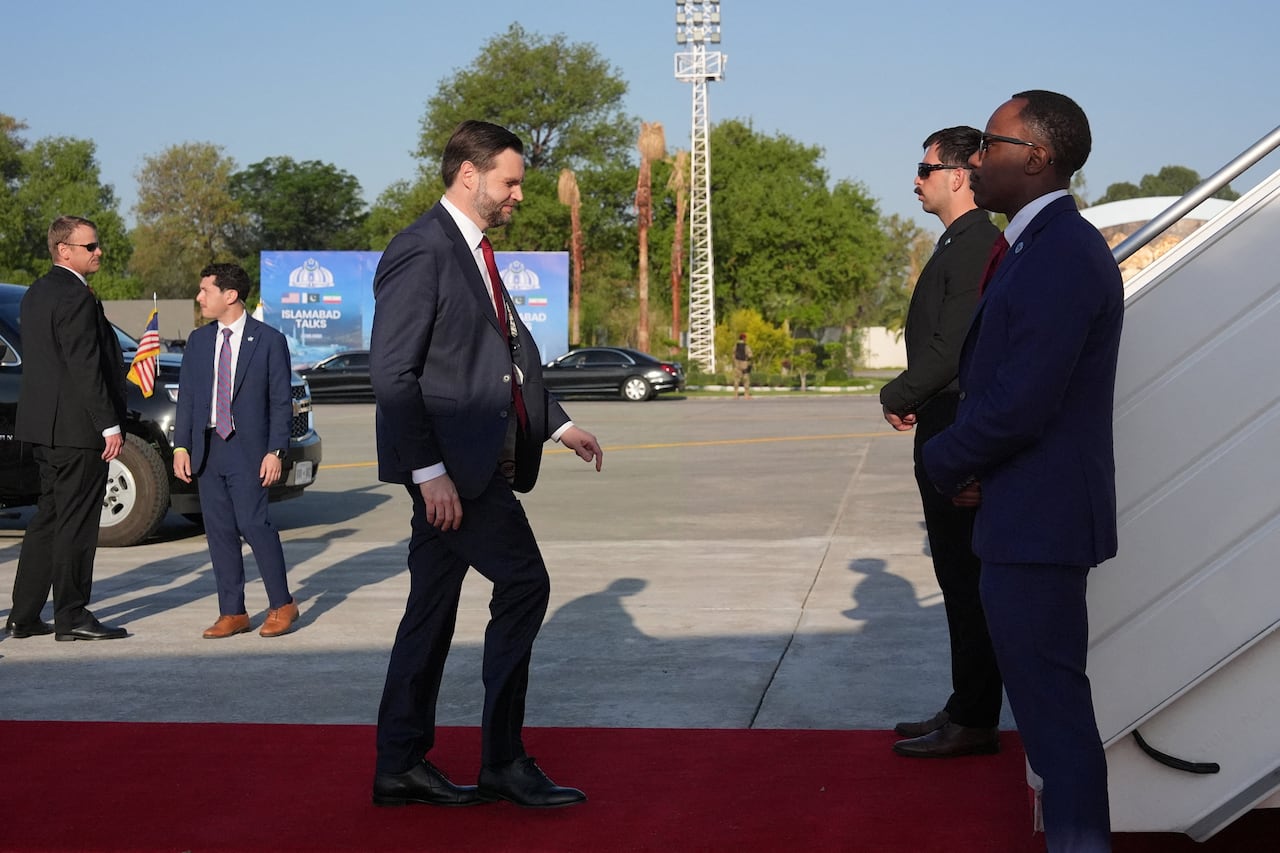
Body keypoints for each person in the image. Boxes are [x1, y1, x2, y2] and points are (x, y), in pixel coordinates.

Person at [368, 120, 604, 810]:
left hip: (467, 468)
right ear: (468, 175)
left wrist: (558, 424)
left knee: (430, 612)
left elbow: (505, 359)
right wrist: (428, 472)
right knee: (526, 583)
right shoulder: (423, 250)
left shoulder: (475, 253)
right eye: (510, 181)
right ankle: (502, 758)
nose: (519, 195)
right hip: (456, 476)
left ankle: (399, 761)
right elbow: (394, 375)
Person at [923, 91, 1123, 852]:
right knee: (1047, 715)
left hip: (1038, 523)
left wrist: (948, 460)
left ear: (1036, 158)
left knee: (1055, 716)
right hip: (1021, 508)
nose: (976, 158)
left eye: (990, 144)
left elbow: (1022, 399)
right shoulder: (1038, 246)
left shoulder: (1064, 251)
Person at [880, 127, 1004, 758]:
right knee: (956, 577)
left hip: (957, 426)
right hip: (943, 420)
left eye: (924, 169)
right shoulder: (960, 241)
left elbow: (952, 347)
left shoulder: (977, 243)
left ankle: (976, 718)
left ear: (957, 175)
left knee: (966, 576)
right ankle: (965, 706)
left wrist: (898, 393)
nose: (915, 181)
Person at [6, 216, 128, 642]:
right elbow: (84, 365)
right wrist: (108, 424)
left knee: (48, 519)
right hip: (77, 430)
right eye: (90, 246)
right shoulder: (75, 296)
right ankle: (72, 616)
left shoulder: (36, 293)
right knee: (76, 523)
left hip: (43, 428)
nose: (98, 252)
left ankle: (23, 616)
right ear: (65, 251)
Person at [172, 263, 299, 639]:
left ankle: (282, 604)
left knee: (254, 525)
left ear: (229, 295)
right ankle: (233, 611)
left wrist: (276, 450)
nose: (199, 298)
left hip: (250, 449)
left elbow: (281, 402)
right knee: (220, 531)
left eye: (204, 290)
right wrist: (181, 446)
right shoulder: (197, 342)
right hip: (208, 449)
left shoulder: (269, 340)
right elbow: (188, 400)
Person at [732, 332, 752, 398]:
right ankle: (746, 395)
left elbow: (733, 355)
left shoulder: (735, 346)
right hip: (744, 365)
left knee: (736, 379)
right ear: (744, 338)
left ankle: (735, 394)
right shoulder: (746, 346)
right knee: (746, 380)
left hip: (737, 365)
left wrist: (735, 362)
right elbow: (750, 355)